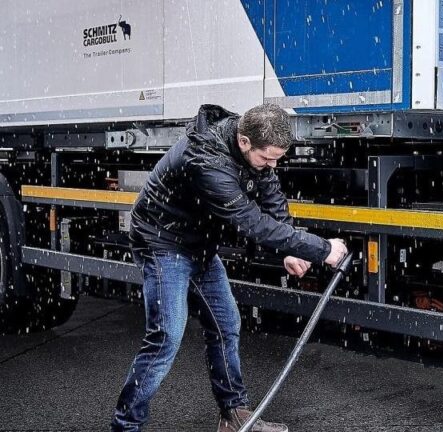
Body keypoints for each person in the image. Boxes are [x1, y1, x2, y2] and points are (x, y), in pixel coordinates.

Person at [110, 104, 347, 432]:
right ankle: (126, 426)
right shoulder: (206, 161)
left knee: (225, 325)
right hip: (162, 243)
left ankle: (234, 416)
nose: (272, 165)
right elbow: (251, 222)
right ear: (245, 142)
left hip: (199, 244)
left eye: (277, 158)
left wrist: (288, 253)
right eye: (268, 158)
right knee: (166, 336)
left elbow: (271, 195)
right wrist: (322, 249)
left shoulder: (252, 145)